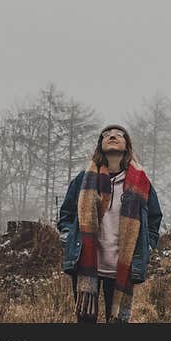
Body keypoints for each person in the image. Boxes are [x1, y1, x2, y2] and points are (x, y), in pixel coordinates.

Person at [57, 124, 163, 323]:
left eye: (119, 134)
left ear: (127, 145)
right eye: (107, 134)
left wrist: (147, 245)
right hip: (87, 265)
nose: (112, 136)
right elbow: (66, 213)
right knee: (85, 321)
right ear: (100, 145)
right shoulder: (84, 179)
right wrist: (67, 238)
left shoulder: (140, 182)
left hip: (122, 267)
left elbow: (154, 218)